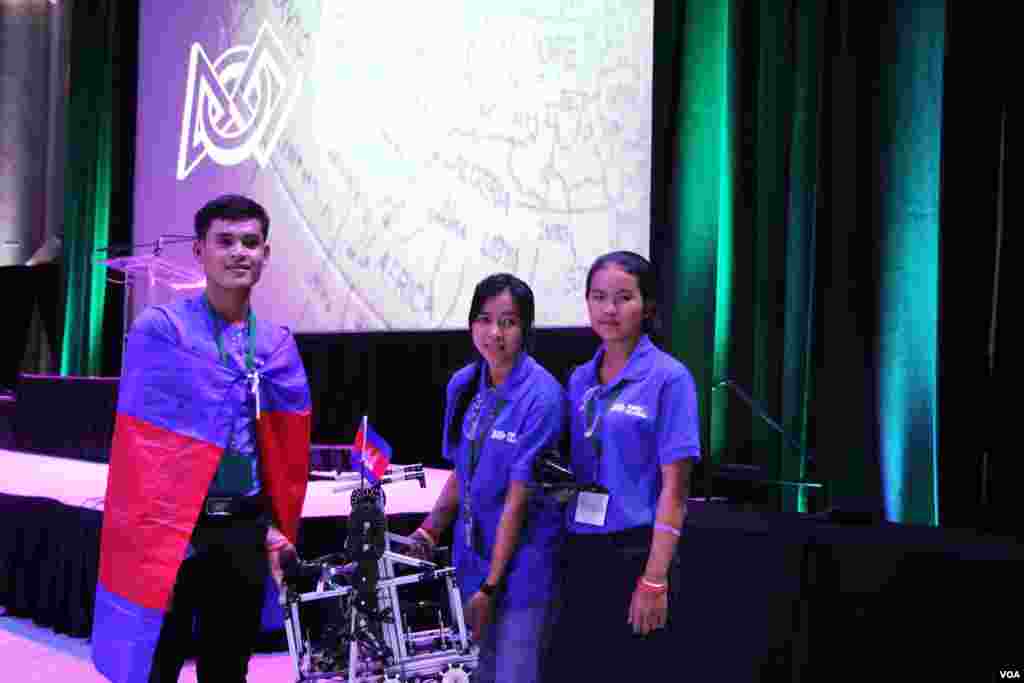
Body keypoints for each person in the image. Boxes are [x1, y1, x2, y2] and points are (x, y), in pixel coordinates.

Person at [91, 194, 312, 683]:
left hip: (241, 527)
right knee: (156, 664)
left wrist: (272, 527)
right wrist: (153, 544)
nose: (239, 253)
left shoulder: (276, 344)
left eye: (250, 242)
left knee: (228, 670)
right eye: (225, 241)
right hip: (172, 528)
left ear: (266, 253)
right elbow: (140, 451)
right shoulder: (162, 331)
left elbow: (283, 452)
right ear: (199, 251)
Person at [546, 251, 701, 680]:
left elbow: (676, 491)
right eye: (598, 297)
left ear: (647, 306)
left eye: (623, 298)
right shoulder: (579, 379)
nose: (609, 309)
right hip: (580, 549)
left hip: (638, 551)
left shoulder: (670, 378)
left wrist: (655, 578)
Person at [408, 273, 566, 683]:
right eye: (484, 319)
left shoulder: (543, 396)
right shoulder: (464, 385)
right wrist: (429, 530)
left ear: (525, 329)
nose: (494, 333)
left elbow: (518, 499)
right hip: (470, 562)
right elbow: (462, 471)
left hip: (521, 573)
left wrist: (490, 588)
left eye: (508, 322)